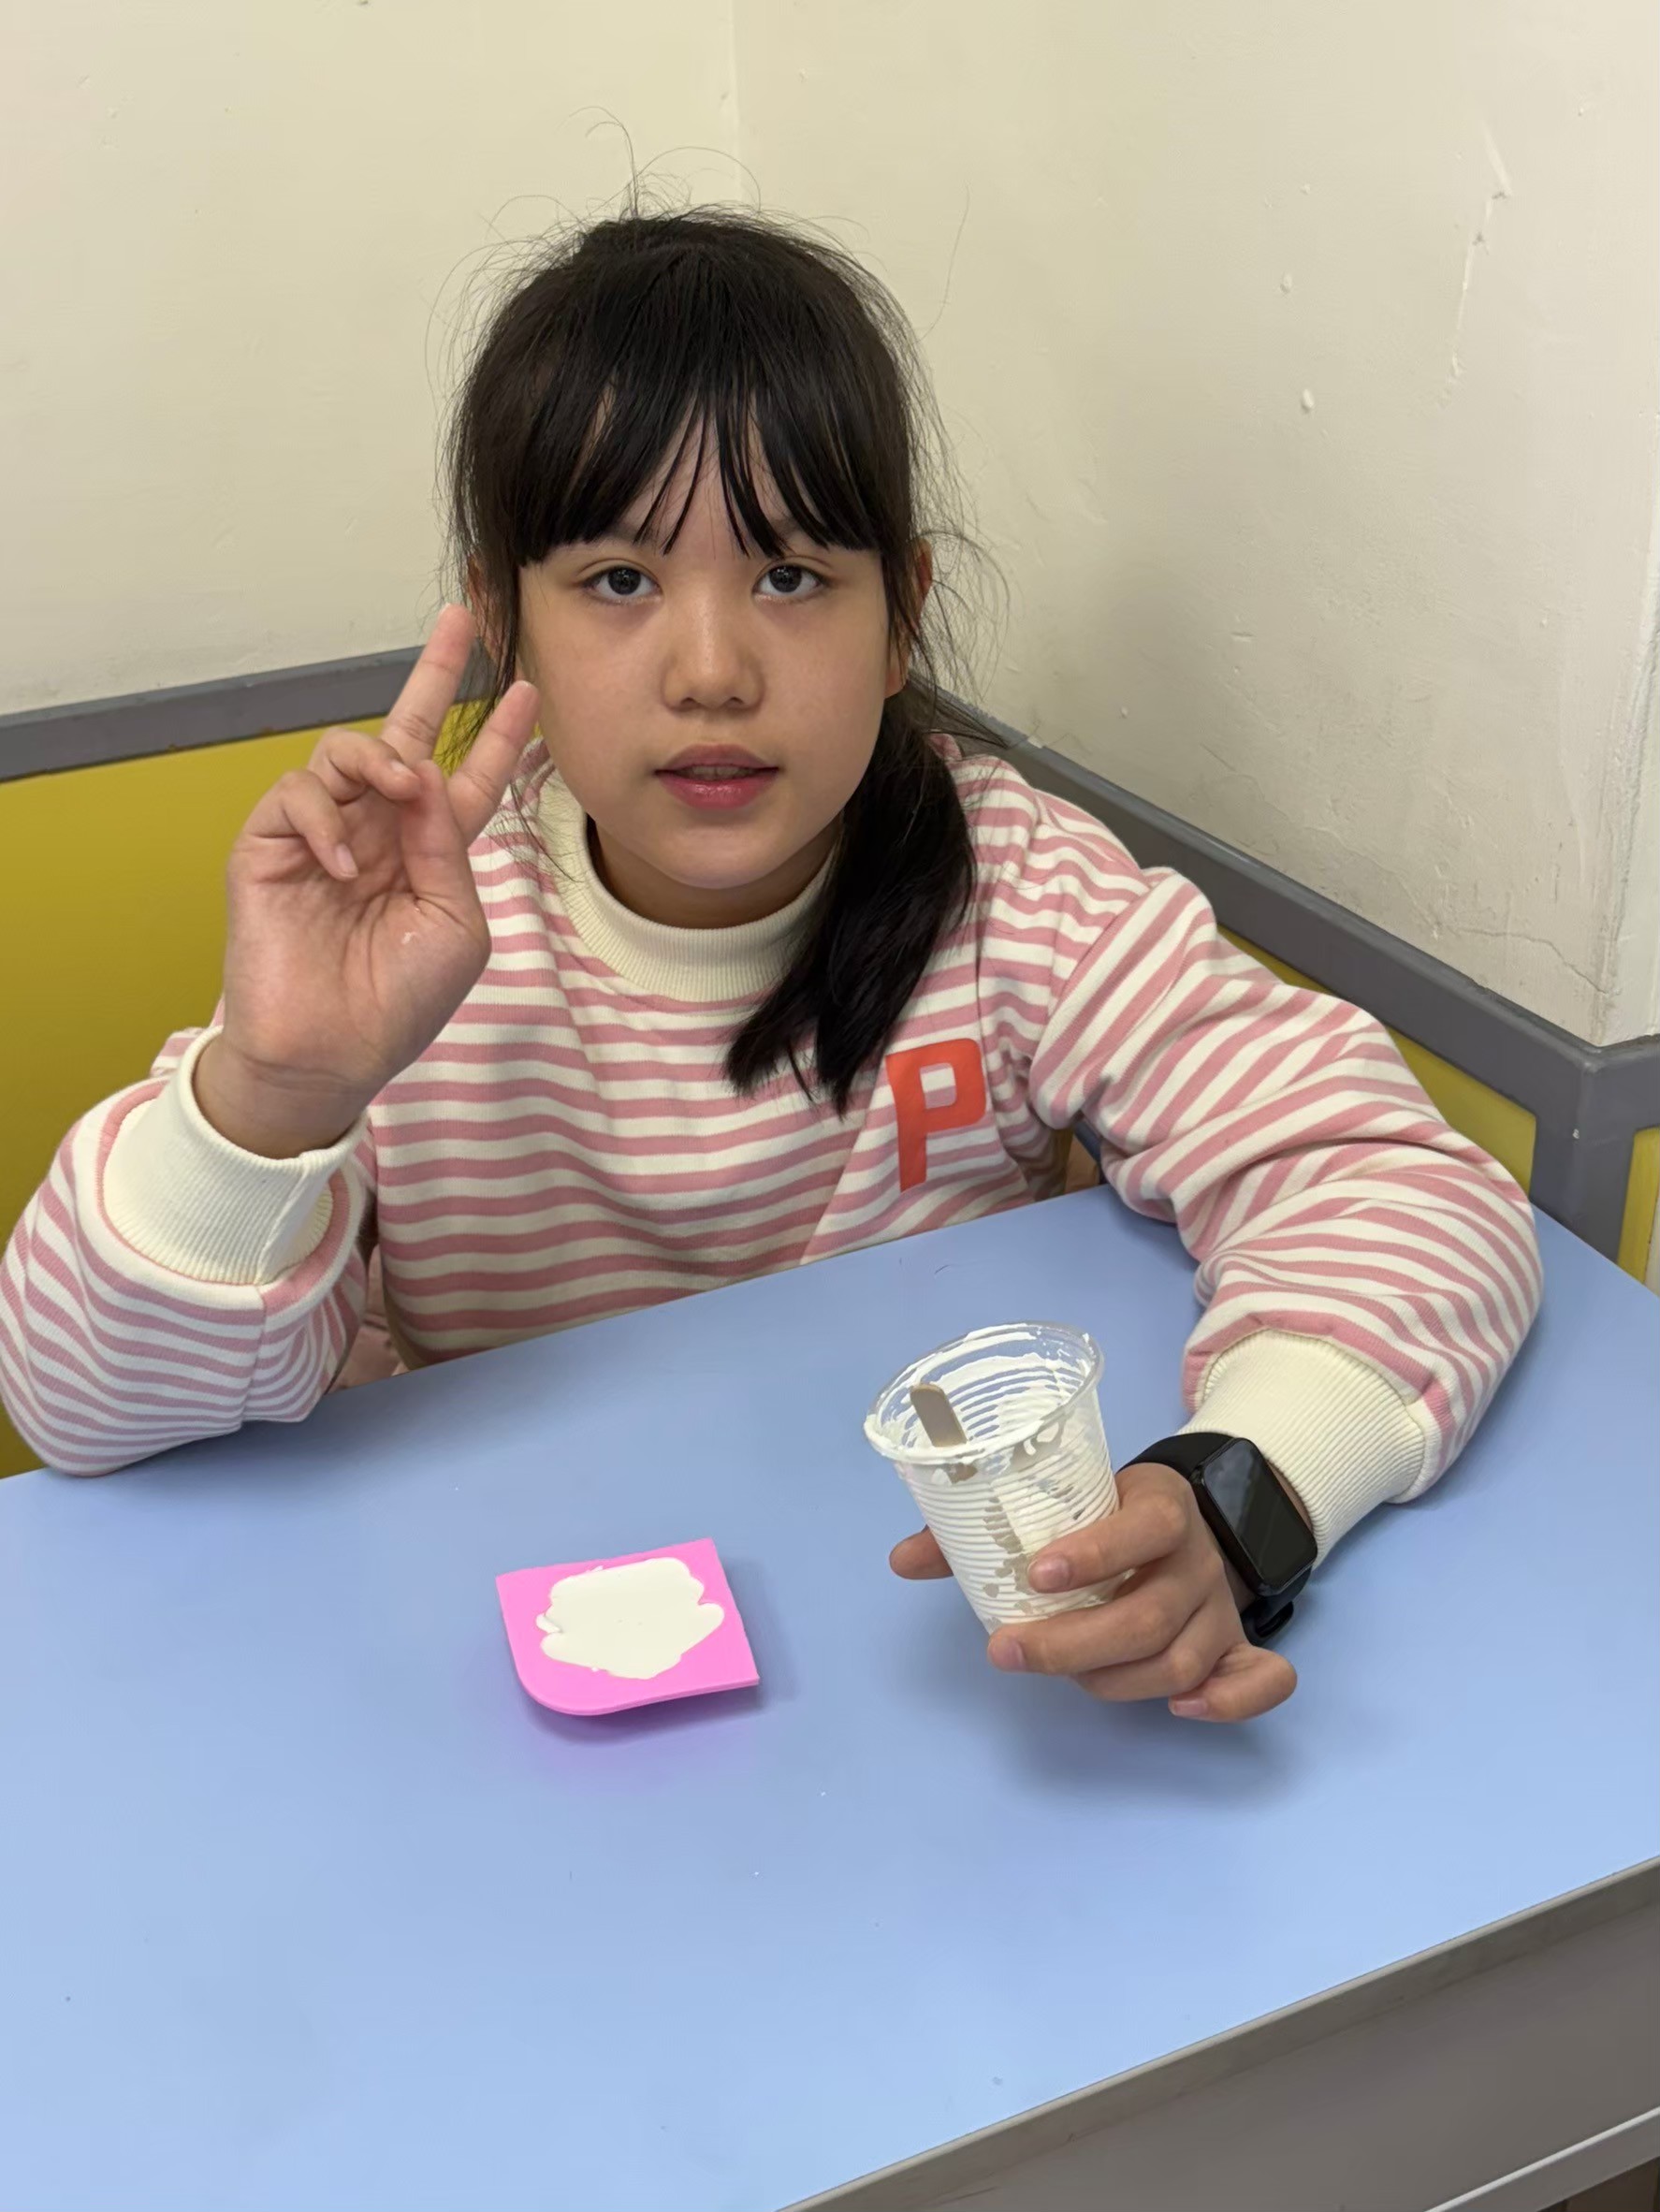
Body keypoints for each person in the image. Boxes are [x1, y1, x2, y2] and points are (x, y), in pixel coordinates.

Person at [0, 206, 1540, 1723]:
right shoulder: (413, 941)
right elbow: (79, 1411)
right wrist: (274, 1092)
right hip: (521, 1667)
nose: (713, 672)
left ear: (900, 616)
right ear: (503, 619)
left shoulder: (1017, 889)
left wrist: (1235, 1495)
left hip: (931, 1665)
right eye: (617, 580)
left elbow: (1397, 1186)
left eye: (791, 574)